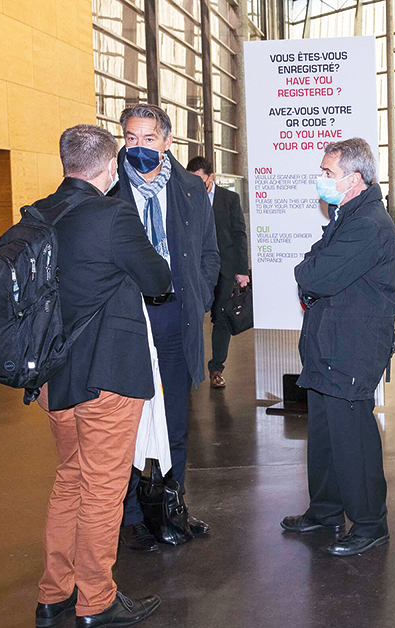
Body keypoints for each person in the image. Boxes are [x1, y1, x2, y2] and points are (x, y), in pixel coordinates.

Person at [31, 125, 170, 628]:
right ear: (110, 166)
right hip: (107, 375)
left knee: (69, 479)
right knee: (104, 487)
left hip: (53, 376)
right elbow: (159, 277)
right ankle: (96, 599)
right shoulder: (114, 214)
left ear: (65, 162)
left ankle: (54, 593)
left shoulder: (40, 213)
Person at [282, 138, 395, 557]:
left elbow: (313, 275)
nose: (321, 180)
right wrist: (311, 276)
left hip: (351, 345)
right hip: (329, 342)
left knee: (352, 436)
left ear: (353, 179)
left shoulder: (367, 223)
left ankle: (370, 522)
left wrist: (310, 279)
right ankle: (326, 510)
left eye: (327, 173)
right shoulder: (346, 214)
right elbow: (315, 264)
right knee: (325, 433)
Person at [112, 104, 217, 552]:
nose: (138, 147)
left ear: (168, 141)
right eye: (131, 139)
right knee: (129, 420)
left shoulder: (191, 188)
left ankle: (173, 504)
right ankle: (133, 516)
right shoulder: (108, 189)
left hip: (177, 317)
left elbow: (210, 252)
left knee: (175, 417)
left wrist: (202, 293)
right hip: (129, 321)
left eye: (148, 138)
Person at [187, 156, 247, 389]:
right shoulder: (185, 198)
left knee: (221, 317)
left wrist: (242, 270)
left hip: (225, 267)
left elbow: (239, 234)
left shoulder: (229, 199)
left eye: (200, 180)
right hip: (196, 268)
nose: (194, 185)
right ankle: (189, 368)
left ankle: (216, 369)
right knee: (192, 317)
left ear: (211, 177)